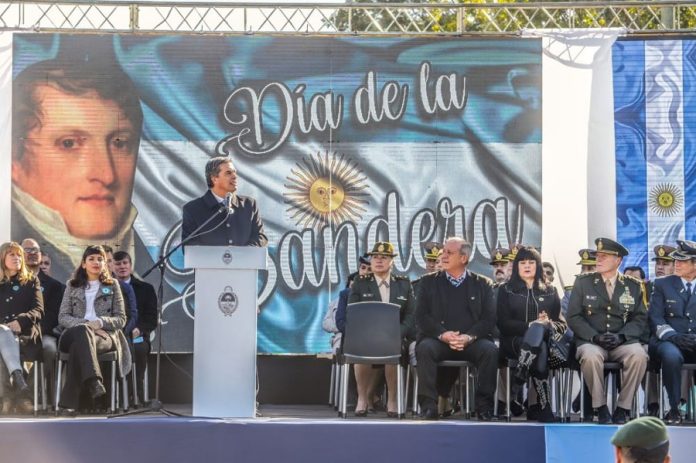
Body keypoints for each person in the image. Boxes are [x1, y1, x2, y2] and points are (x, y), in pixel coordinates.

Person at [11, 57, 144, 284]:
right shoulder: (15, 260)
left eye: (120, 143)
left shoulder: (160, 272)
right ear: (14, 160)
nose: (106, 175)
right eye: (69, 143)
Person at [415, 237, 498, 421]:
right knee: (424, 348)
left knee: (490, 351)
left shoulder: (482, 284)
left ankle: (484, 407)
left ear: (463, 258)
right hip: (439, 341)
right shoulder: (428, 282)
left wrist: (469, 336)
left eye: (449, 253)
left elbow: (488, 319)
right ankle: (429, 406)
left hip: (470, 342)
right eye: (443, 252)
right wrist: (443, 334)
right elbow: (421, 317)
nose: (443, 256)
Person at [568, 237, 649, 424]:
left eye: (604, 256)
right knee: (590, 356)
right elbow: (573, 316)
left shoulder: (633, 285)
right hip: (592, 341)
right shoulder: (583, 282)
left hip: (621, 341)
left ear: (618, 260)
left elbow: (640, 317)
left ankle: (623, 407)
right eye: (598, 255)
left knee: (639, 356)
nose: (599, 259)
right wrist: (593, 336)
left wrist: (622, 336)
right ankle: (600, 406)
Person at [57, 245, 131, 414]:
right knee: (82, 332)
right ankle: (95, 381)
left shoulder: (113, 285)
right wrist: (87, 325)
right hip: (74, 333)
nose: (96, 262)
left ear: (105, 263)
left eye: (100, 259)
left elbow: (121, 319)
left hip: (104, 335)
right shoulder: (72, 285)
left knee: (78, 348)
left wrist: (99, 323)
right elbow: (63, 317)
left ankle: (68, 403)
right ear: (84, 264)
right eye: (91, 259)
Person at [497, 246, 565, 422]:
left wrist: (547, 324)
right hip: (513, 342)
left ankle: (522, 371)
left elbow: (561, 324)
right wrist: (530, 326)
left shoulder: (550, 291)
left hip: (545, 344)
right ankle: (542, 406)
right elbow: (503, 324)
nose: (527, 266)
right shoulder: (506, 290)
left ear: (538, 265)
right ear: (517, 266)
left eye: (531, 262)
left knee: (540, 341)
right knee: (538, 339)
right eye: (523, 262)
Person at [347, 242, 415, 417]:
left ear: (391, 261)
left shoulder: (404, 284)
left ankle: (392, 400)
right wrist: (365, 333)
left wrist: (398, 333)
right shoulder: (360, 282)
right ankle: (362, 398)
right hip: (366, 336)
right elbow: (353, 311)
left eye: (384, 257)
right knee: (361, 350)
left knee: (393, 349)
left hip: (395, 336)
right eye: (375, 257)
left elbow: (410, 315)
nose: (378, 260)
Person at [649, 240, 696, 425]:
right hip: (668, 340)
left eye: (683, 261)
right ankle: (675, 408)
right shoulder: (662, 284)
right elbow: (656, 318)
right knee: (671, 356)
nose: (677, 263)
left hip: (693, 339)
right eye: (675, 260)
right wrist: (673, 337)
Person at [181, 156, 267, 247]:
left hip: (244, 260)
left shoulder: (249, 205)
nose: (235, 176)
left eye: (235, 172)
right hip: (210, 261)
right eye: (228, 173)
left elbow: (260, 237)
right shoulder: (192, 209)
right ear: (214, 178)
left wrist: (243, 253)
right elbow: (189, 245)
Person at [20, 238, 65, 407]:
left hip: (43, 333)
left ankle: (28, 395)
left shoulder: (54, 286)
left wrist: (35, 331)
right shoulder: (10, 283)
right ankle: (9, 395)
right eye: (27, 250)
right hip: (16, 332)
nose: (32, 254)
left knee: (50, 349)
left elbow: (54, 315)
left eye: (35, 250)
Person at [0, 242, 43, 414]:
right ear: (2, 258)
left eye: (19, 255)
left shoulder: (31, 280)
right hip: (1, 332)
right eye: (12, 254)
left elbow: (39, 310)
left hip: (25, 332)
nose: (17, 258)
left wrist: (21, 321)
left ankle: (13, 399)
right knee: (2, 333)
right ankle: (19, 384)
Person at [113, 250, 158, 402]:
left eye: (125, 263)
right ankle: (113, 397)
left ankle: (135, 394)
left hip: (136, 335)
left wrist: (139, 328)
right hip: (113, 334)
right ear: (112, 267)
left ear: (131, 266)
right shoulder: (105, 288)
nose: (122, 267)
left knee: (138, 349)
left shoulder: (146, 289)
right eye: (117, 264)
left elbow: (151, 318)